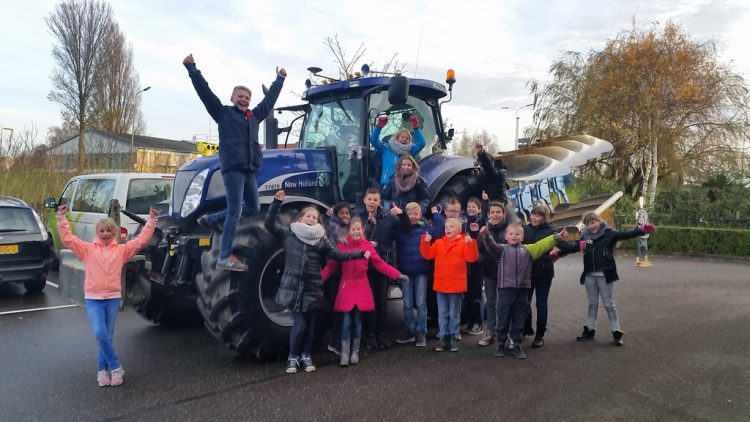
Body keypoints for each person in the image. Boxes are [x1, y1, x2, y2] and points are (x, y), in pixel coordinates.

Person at [184, 53, 286, 271]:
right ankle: (224, 256)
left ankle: (212, 219)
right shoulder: (223, 114)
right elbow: (205, 93)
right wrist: (193, 69)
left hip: (250, 168)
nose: (244, 100)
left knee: (253, 207)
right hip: (233, 168)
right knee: (234, 211)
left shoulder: (254, 116)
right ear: (232, 99)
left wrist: (279, 80)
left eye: (247, 98)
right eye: (240, 96)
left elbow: (269, 102)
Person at [264, 190, 369, 374]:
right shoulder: (290, 233)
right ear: (301, 218)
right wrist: (275, 204)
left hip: (313, 287)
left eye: (315, 217)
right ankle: (293, 357)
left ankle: (306, 355)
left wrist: (359, 254)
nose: (312, 219)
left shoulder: (321, 239)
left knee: (310, 325)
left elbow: (337, 254)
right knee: (299, 325)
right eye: (308, 216)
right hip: (295, 286)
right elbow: (269, 224)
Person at [56, 204, 158, 387]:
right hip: (93, 299)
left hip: (112, 298)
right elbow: (68, 240)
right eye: (102, 231)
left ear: (114, 232)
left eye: (108, 231)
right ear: (97, 232)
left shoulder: (121, 250)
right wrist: (61, 218)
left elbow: (141, 241)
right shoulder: (87, 249)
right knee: (100, 333)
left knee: (107, 337)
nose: (105, 234)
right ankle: (116, 367)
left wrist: (151, 221)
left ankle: (102, 372)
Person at [557, 212, 656, 346]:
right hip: (589, 275)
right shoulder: (584, 237)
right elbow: (571, 247)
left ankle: (616, 331)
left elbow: (626, 234)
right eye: (587, 224)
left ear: (599, 221)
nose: (590, 226)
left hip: (604, 274)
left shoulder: (609, 233)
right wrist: (557, 244)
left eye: (593, 223)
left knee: (609, 303)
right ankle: (589, 330)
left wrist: (641, 230)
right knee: (592, 303)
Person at [321, 218, 408, 366]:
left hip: (361, 288)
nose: (356, 232)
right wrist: (319, 280)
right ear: (349, 231)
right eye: (353, 229)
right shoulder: (342, 246)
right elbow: (330, 267)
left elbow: (380, 264)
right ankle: (344, 352)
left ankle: (355, 351)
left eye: (358, 229)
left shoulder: (367, 247)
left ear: (362, 231)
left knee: (357, 322)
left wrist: (397, 274)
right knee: (347, 322)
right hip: (346, 288)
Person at [479, 223, 561, 359]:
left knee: (518, 320)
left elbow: (542, 245)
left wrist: (556, 237)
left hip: (523, 291)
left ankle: (517, 344)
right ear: (505, 237)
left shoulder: (528, 250)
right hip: (505, 290)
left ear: (522, 237)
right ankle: (500, 344)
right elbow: (491, 246)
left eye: (517, 234)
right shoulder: (501, 250)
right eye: (511, 234)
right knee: (503, 319)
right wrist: (486, 235)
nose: (514, 236)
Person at [420, 218, 479, 353]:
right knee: (442, 313)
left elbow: (471, 258)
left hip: (455, 285)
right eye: (447, 227)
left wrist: (471, 244)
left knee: (453, 313)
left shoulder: (464, 242)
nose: (448, 229)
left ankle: (453, 336)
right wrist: (425, 241)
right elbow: (427, 254)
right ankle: (442, 336)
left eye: (451, 227)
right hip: (441, 284)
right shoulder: (439, 243)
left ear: (458, 229)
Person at [392, 203, 444, 347]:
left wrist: (436, 214)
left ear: (420, 215)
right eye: (410, 214)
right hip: (406, 271)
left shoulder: (425, 228)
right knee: (407, 303)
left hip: (421, 270)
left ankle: (421, 332)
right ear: (406, 215)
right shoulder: (401, 228)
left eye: (416, 214)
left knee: (421, 303)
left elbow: (439, 232)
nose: (413, 217)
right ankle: (409, 331)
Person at [353, 188, 398, 352]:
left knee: (381, 301)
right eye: (369, 199)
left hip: (382, 264)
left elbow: (395, 241)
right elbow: (354, 237)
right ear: (364, 200)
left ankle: (381, 334)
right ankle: (370, 335)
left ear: (380, 202)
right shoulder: (358, 216)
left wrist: (401, 215)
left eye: (375, 200)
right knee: (369, 302)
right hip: (365, 266)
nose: (372, 202)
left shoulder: (387, 217)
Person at [522, 205, 558, 348]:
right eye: (533, 215)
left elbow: (563, 246)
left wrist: (578, 245)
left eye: (538, 216)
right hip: (527, 271)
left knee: (541, 303)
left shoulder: (551, 231)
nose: (534, 218)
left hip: (544, 272)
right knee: (525, 302)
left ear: (544, 217)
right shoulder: (525, 230)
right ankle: (527, 327)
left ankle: (540, 335)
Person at [477, 201, 509, 347]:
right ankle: (491, 331)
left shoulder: (509, 230)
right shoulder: (484, 230)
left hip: (506, 272)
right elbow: (479, 249)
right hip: (489, 271)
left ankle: (505, 332)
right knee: (490, 302)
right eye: (493, 212)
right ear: (488, 214)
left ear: (504, 214)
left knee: (505, 303)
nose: (495, 215)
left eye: (498, 212)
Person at [322, 201, 352, 356]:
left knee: (344, 308)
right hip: (337, 273)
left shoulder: (349, 228)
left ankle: (343, 340)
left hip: (347, 274)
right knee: (338, 308)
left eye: (347, 213)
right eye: (342, 213)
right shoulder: (333, 228)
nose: (345, 216)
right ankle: (335, 341)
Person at [371, 113, 426, 185]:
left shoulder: (410, 150)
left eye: (407, 138)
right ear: (397, 138)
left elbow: (422, 143)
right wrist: (379, 126)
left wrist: (416, 127)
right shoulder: (386, 148)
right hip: (387, 184)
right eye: (402, 137)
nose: (404, 139)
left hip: (404, 185)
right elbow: (373, 140)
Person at [462, 197, 485, 336]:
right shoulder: (463, 221)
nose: (471, 209)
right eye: (469, 206)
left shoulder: (481, 222)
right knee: (467, 293)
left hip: (476, 262)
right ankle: (470, 321)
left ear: (479, 209)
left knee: (476, 293)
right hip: (465, 262)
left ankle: (478, 323)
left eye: (474, 206)